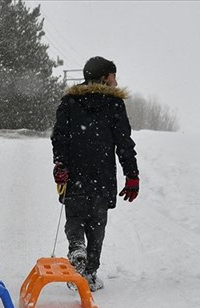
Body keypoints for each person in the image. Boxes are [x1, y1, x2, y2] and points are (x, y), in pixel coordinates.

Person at [51, 56, 139, 292]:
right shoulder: (114, 105)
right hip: (102, 175)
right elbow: (124, 143)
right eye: (113, 76)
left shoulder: (70, 102)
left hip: (75, 174)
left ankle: (76, 247)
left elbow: (59, 136)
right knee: (97, 224)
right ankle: (89, 273)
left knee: (75, 218)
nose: (115, 81)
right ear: (104, 77)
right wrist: (132, 175)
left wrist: (60, 164)